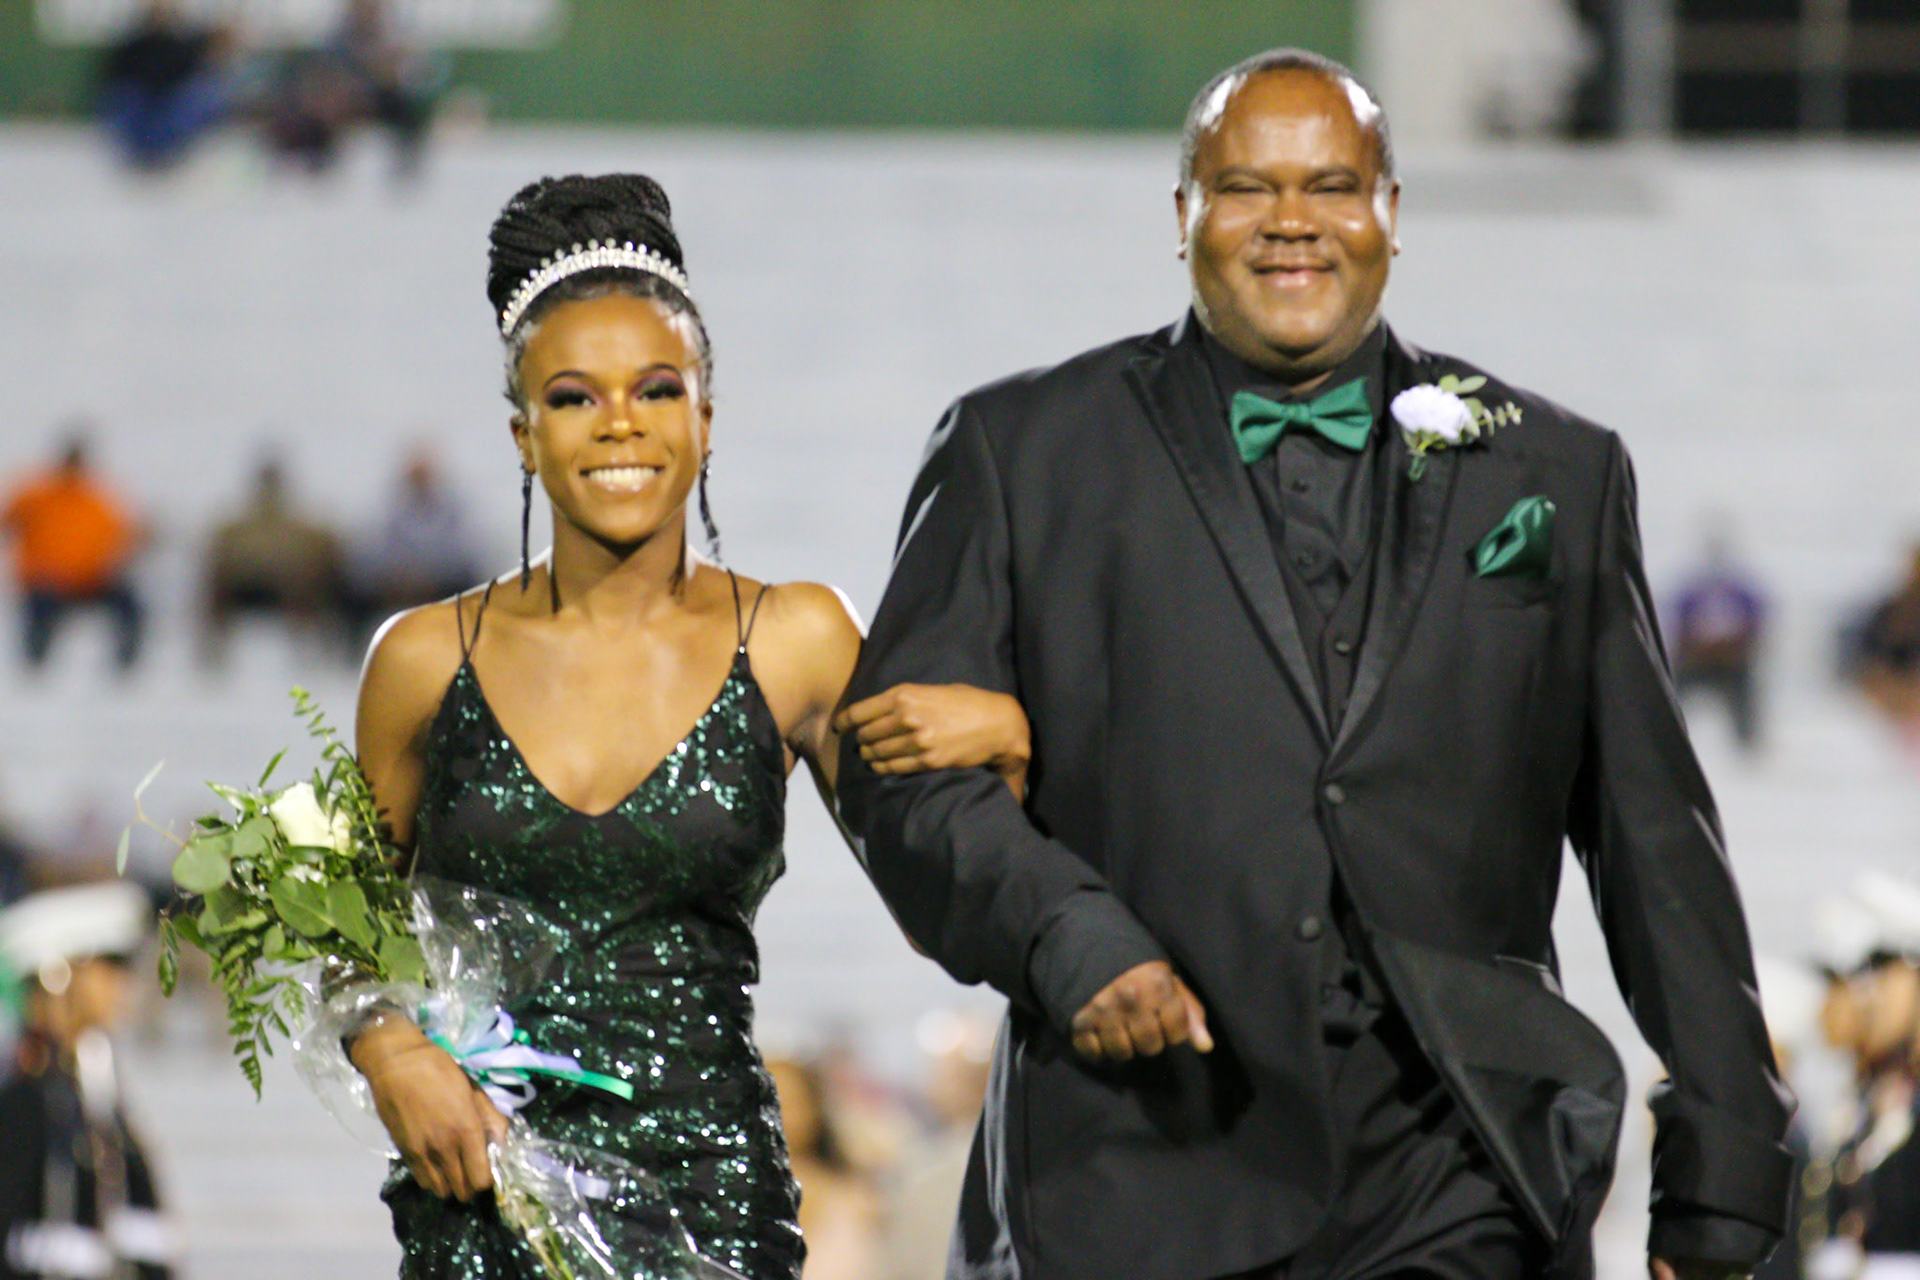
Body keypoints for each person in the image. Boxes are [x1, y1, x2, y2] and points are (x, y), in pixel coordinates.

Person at [837, 49, 1793, 1280]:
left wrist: (1725, 1163)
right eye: (1247, 187)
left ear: (1391, 212)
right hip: (1135, 1168)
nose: (1292, 220)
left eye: (1333, 186)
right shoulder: (1019, 449)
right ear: (1183, 214)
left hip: (1460, 1170)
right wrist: (1065, 931)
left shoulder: (1555, 471)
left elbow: (1654, 838)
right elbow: (902, 775)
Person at [346, 173, 1034, 1280]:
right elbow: (335, 921)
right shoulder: (422, 660)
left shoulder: (798, 637)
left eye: (657, 388)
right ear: (523, 435)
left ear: (705, 418)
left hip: (709, 1202)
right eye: (574, 396)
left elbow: (939, 906)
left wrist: (1009, 742)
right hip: (478, 1199)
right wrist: (388, 1049)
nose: (620, 421)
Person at [0, 881, 177, 1280]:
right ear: (60, 975)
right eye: (108, 968)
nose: (123, 987)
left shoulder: (96, 1086)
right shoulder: (24, 1096)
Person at [2, 436, 146, 674]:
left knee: (129, 601)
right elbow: (7, 520)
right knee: (41, 606)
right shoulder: (36, 495)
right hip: (45, 580)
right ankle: (34, 665)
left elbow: (125, 536)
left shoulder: (97, 500)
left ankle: (126, 664)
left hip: (88, 581)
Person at [200, 457, 346, 666]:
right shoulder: (238, 527)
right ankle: (213, 653)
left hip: (288, 591)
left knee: (303, 582)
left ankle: (310, 653)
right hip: (247, 588)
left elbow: (326, 548)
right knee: (218, 582)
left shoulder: (298, 526)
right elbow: (220, 555)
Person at [94, 0, 233, 171]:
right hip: (141, 111)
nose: (160, 20)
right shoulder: (134, 47)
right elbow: (115, 79)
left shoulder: (184, 48)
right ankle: (143, 150)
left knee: (199, 95)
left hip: (170, 110)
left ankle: (163, 150)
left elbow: (192, 77)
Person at [1669, 523, 1768, 752]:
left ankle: (1748, 742)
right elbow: (1679, 626)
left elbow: (1755, 626)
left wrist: (1735, 648)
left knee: (1745, 694)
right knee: (1671, 690)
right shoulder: (1691, 590)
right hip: (1696, 659)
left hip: (1732, 660)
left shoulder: (1742, 590)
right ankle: (1665, 734)